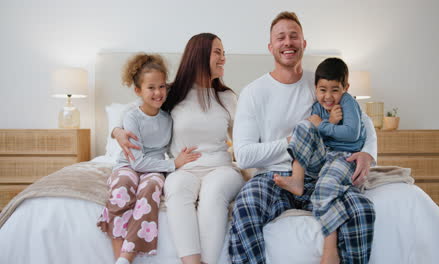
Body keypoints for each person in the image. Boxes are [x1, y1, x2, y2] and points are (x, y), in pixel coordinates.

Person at [229, 11, 377, 264]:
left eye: (294, 36)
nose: (288, 42)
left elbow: (363, 121)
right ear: (270, 47)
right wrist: (294, 142)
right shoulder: (253, 92)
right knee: (246, 205)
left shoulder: (320, 82)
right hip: (273, 176)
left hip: (320, 173)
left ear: (304, 43)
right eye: (281, 37)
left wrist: (368, 153)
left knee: (362, 210)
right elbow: (243, 156)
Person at [112, 33, 245, 264]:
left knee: (212, 194)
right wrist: (116, 131)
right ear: (200, 55)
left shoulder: (228, 97)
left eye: (224, 53)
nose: (223, 58)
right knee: (174, 188)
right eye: (218, 52)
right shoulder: (173, 93)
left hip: (221, 168)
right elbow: (137, 109)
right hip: (184, 169)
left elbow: (243, 141)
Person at [97, 53, 200, 264]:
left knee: (151, 187)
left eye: (161, 86)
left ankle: (127, 256)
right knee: (123, 185)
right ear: (138, 91)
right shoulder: (131, 116)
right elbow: (136, 162)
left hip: (155, 169)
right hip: (130, 164)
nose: (157, 92)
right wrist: (173, 164)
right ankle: (120, 259)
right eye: (151, 88)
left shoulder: (168, 117)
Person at [273, 57, 368, 263]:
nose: (328, 96)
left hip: (345, 158)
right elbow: (312, 131)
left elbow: (351, 134)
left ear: (345, 88)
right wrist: (328, 122)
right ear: (315, 88)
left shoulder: (348, 102)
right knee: (303, 126)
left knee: (324, 187)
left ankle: (330, 249)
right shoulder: (317, 106)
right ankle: (297, 180)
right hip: (325, 157)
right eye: (322, 89)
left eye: (335, 89)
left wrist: (324, 125)